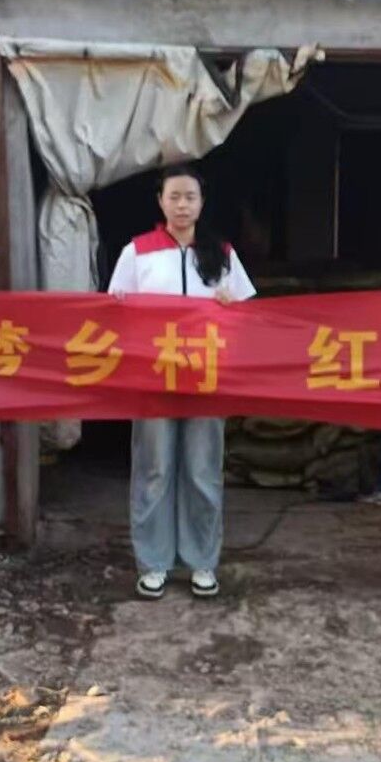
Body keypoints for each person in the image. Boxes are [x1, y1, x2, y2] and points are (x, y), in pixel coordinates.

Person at [107, 165, 256, 600]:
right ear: (160, 201)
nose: (182, 205)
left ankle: (201, 561)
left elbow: (249, 315)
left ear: (202, 202)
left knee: (202, 471)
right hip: (153, 378)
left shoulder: (222, 252)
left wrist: (230, 306)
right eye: (174, 196)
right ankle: (153, 563)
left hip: (207, 379)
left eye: (190, 197)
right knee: (154, 470)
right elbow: (113, 313)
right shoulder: (137, 252)